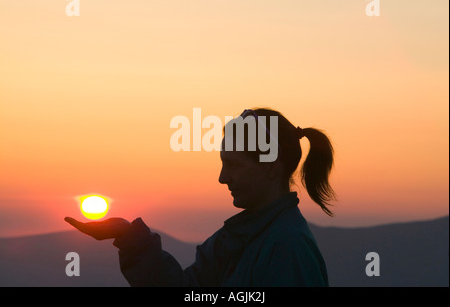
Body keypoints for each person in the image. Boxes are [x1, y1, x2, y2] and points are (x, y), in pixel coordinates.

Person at [65, 107, 336, 286]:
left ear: (271, 168)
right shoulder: (239, 237)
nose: (222, 177)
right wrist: (129, 238)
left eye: (234, 165)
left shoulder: (288, 247)